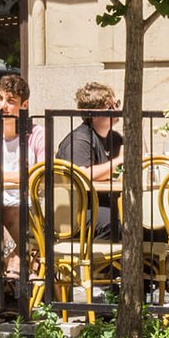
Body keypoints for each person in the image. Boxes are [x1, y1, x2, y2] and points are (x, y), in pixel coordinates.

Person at [0, 75, 44, 289]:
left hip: (32, 206)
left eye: (10, 101)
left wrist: (0, 175)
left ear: (24, 105)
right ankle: (16, 265)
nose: (2, 106)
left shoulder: (36, 135)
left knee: (13, 208)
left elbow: (42, 174)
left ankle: (11, 271)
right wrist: (20, 175)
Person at [55, 81, 123, 240]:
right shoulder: (79, 140)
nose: (117, 110)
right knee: (116, 223)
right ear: (94, 114)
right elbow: (83, 173)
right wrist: (120, 160)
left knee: (148, 222)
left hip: (101, 204)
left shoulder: (115, 138)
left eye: (116, 104)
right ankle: (95, 265)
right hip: (74, 210)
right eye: (110, 107)